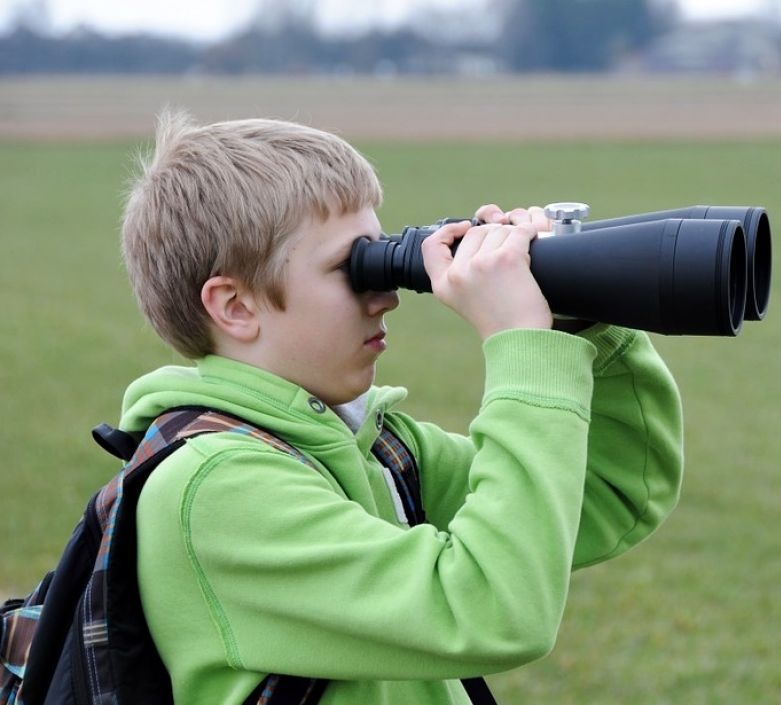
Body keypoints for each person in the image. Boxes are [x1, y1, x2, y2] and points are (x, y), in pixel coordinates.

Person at [119, 110, 684, 705]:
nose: (387, 294)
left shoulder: (374, 449)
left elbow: (607, 492)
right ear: (235, 305)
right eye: (351, 268)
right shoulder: (214, 488)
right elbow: (491, 609)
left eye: (384, 256)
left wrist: (580, 318)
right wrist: (524, 349)